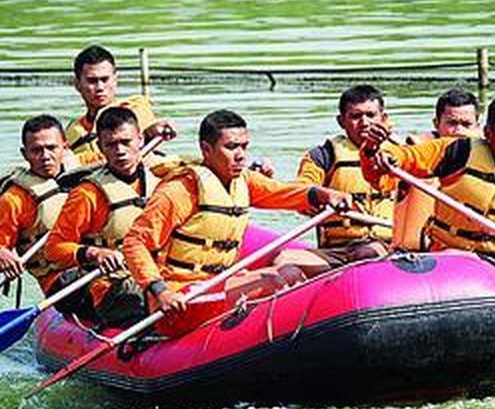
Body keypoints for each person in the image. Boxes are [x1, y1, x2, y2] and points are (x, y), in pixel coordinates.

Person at [122, 109, 351, 337]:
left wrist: (321, 194)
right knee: (277, 280)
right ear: (206, 149)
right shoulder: (180, 190)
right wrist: (160, 291)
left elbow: (279, 192)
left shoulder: (243, 180)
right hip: (182, 298)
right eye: (231, 147)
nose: (241, 155)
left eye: (244, 146)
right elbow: (135, 242)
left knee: (291, 274)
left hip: (219, 285)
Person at [361, 94, 495, 267]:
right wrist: (374, 150)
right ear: (488, 133)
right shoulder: (455, 151)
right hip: (446, 258)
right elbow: (401, 160)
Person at [44, 105, 158, 328]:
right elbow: (53, 248)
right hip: (112, 284)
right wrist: (93, 253)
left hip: (157, 273)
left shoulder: (160, 182)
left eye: (126, 142)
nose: (120, 151)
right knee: (139, 299)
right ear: (100, 148)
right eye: (111, 145)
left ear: (141, 140)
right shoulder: (87, 194)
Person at [284, 85, 394, 274]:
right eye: (355, 116)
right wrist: (312, 200)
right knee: (284, 259)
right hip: (335, 250)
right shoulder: (323, 156)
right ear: (341, 121)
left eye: (371, 115)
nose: (365, 123)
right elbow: (302, 188)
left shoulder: (402, 154)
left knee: (366, 254)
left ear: (383, 119)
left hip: (385, 247)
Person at [0, 115, 73, 295]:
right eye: (37, 150)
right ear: (25, 154)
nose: (45, 156)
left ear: (65, 147)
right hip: (58, 281)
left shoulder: (87, 181)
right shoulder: (14, 198)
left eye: (52, 148)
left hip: (99, 267)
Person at [393, 88, 482, 250]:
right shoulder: (415, 152)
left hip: (469, 252)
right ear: (436, 123)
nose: (459, 131)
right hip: (416, 252)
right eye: (452, 123)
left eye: (466, 125)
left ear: (478, 126)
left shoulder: (491, 156)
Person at [66, 45, 175, 167]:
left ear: (115, 80)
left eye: (105, 79)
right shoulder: (73, 131)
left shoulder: (135, 108)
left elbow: (148, 131)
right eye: (92, 81)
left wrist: (150, 132)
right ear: (77, 84)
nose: (100, 87)